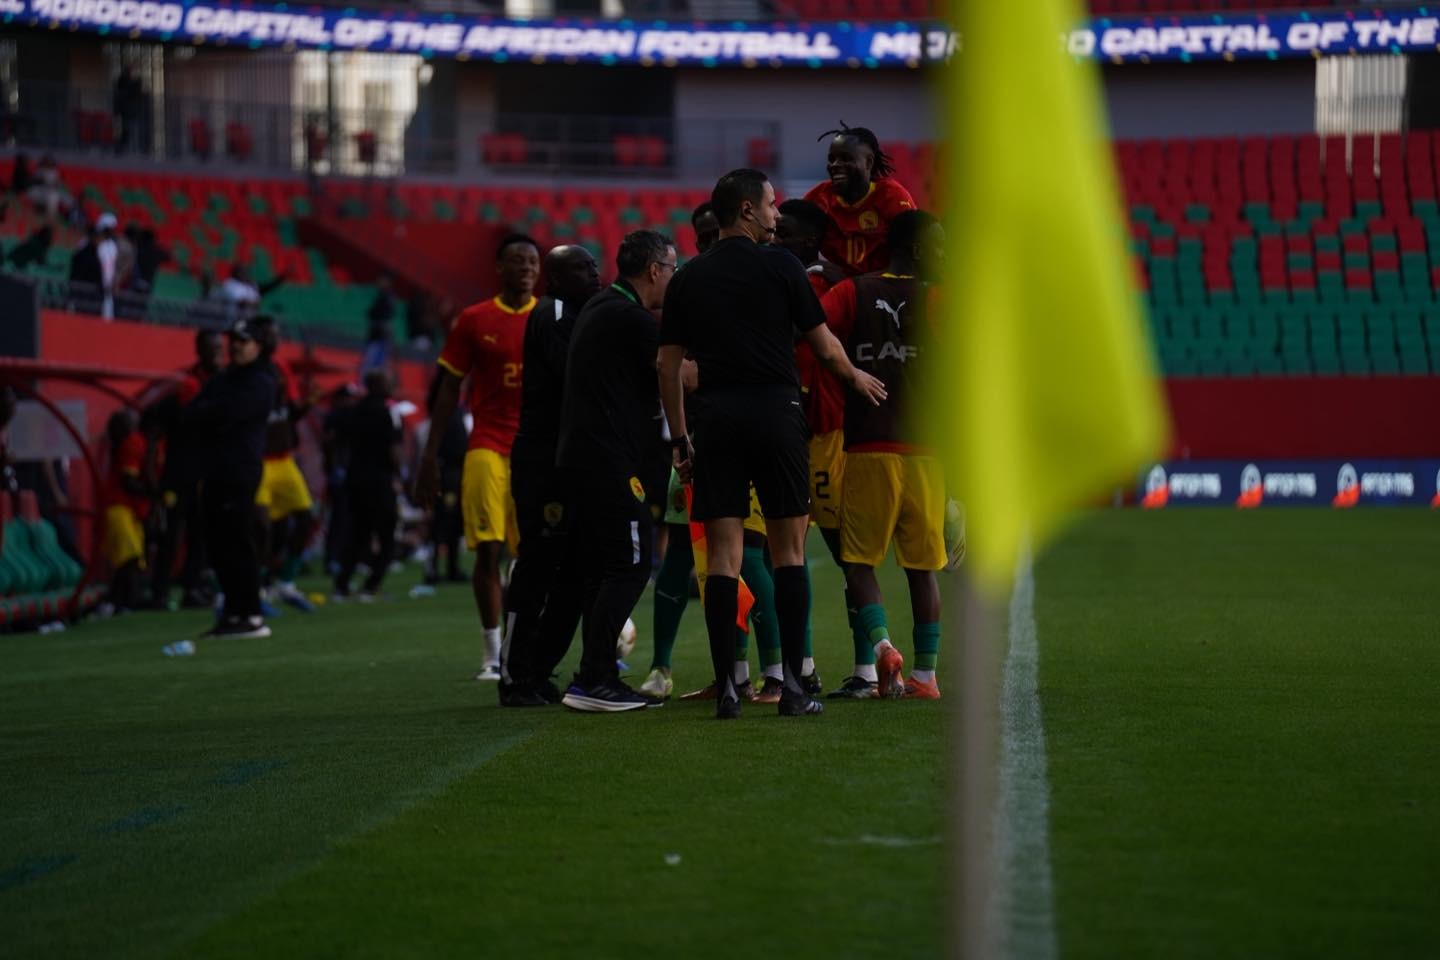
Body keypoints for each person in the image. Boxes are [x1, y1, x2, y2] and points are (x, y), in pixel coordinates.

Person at [658, 168, 886, 720]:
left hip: (716, 421)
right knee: (788, 552)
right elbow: (825, 347)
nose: (776, 214)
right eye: (770, 204)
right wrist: (857, 377)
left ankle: (728, 690)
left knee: (723, 558)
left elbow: (667, 367)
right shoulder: (783, 266)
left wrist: (680, 438)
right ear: (746, 210)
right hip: (777, 416)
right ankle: (793, 690)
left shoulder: (688, 278)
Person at [820, 210, 946, 700]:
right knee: (923, 569)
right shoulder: (940, 296)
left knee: (857, 563)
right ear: (916, 249)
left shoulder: (854, 291)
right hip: (927, 453)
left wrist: (849, 373)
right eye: (938, 246)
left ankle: (884, 647)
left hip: (870, 445)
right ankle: (926, 677)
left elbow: (813, 329)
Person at [555, 230, 676, 713]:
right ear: (654, 270)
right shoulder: (630, 317)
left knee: (605, 567)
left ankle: (595, 675)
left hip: (586, 456)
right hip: (604, 459)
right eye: (672, 269)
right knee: (631, 562)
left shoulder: (604, 307)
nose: (673, 278)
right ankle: (595, 679)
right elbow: (679, 374)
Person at [416, 234, 539, 681]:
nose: (526, 268)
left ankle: (519, 648)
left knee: (531, 557)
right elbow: (449, 388)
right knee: (488, 550)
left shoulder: (549, 317)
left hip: (533, 450)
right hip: (486, 444)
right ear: (499, 268)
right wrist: (429, 455)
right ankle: (491, 653)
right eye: (517, 261)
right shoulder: (474, 319)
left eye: (533, 261)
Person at [500, 243, 602, 706]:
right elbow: (574, 375)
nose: (593, 272)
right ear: (556, 278)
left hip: (569, 458)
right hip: (545, 461)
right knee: (538, 565)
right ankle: (515, 675)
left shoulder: (575, 312)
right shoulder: (555, 313)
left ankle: (538, 670)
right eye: (581, 267)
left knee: (575, 569)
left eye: (593, 264)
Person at [183, 315, 278, 639]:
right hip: (215, 468)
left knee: (238, 540)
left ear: (258, 346)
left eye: (242, 341)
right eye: (233, 341)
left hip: (239, 469)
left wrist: (207, 413)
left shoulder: (260, 381)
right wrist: (207, 413)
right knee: (218, 544)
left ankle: (250, 613)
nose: (235, 347)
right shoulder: (224, 379)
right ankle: (233, 612)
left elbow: (223, 413)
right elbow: (195, 413)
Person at [149, 329, 224, 609]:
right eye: (212, 348)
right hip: (179, 472)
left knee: (199, 532)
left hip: (206, 472)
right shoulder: (187, 385)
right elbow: (161, 427)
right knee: (171, 533)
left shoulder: (222, 382)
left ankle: (192, 588)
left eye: (219, 348)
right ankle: (159, 592)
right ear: (199, 350)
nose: (217, 353)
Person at [255, 334, 318, 613]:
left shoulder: (279, 367)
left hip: (284, 460)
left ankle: (285, 583)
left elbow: (290, 414)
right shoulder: (248, 376)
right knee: (261, 527)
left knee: (305, 517)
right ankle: (256, 590)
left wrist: (307, 403)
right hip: (259, 462)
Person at [804, 122, 915, 277]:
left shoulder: (893, 197)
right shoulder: (817, 198)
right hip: (833, 284)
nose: (835, 165)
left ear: (869, 162)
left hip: (882, 286)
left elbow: (911, 261)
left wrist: (852, 282)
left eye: (846, 158)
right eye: (832, 159)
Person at [332, 371, 402, 600]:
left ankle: (342, 585)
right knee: (387, 535)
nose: (392, 384)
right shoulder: (388, 411)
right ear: (378, 385)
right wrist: (401, 476)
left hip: (356, 480)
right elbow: (394, 449)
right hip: (380, 481)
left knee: (358, 535)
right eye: (388, 381)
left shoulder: (354, 410)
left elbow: (334, 439)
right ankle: (371, 585)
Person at [101, 409, 150, 613]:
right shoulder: (132, 444)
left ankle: (120, 600)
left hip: (125, 509)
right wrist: (154, 492)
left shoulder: (123, 446)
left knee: (131, 558)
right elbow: (128, 480)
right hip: (118, 508)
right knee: (130, 557)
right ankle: (122, 600)